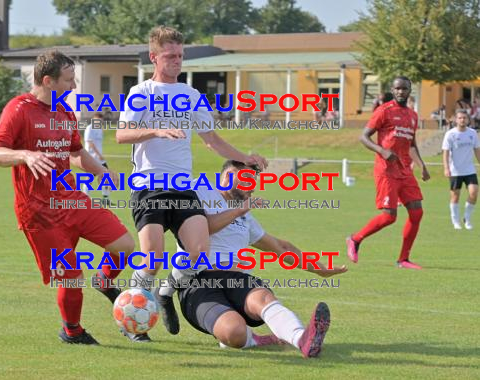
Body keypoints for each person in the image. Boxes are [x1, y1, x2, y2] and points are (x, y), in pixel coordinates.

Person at [116, 26, 267, 342]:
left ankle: (166, 291)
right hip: (150, 186)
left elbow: (212, 140)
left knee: (199, 252)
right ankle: (130, 317)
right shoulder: (141, 93)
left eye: (180, 56)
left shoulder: (190, 96)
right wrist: (155, 131)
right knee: (153, 256)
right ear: (154, 57)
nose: (176, 61)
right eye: (170, 56)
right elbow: (122, 134)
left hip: (183, 187)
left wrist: (246, 157)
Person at [0, 50, 135, 345]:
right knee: (70, 276)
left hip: (71, 200)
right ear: (47, 80)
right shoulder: (18, 109)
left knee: (126, 245)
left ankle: (104, 281)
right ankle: (72, 331)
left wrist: (102, 172)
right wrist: (24, 155)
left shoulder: (65, 112)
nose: (74, 86)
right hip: (38, 212)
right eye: (69, 80)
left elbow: (76, 152)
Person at [176, 160, 347, 357]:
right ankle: (256, 339)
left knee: (263, 298)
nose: (253, 188)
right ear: (228, 176)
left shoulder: (245, 218)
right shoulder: (199, 191)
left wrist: (318, 268)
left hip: (236, 279)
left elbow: (280, 247)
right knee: (234, 332)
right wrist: (240, 209)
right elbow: (202, 227)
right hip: (197, 282)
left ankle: (302, 339)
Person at [346, 76, 430, 270]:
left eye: (405, 88)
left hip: (405, 170)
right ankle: (355, 239)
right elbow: (363, 137)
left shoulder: (413, 115)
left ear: (410, 91)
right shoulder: (384, 111)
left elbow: (412, 144)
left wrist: (422, 165)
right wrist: (382, 151)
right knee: (389, 216)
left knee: (417, 212)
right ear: (393, 90)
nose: (401, 91)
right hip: (386, 171)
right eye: (398, 88)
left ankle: (403, 259)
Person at [442, 109, 480, 230]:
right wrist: (446, 168)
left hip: (469, 170)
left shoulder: (473, 133)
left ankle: (467, 219)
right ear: (455, 120)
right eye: (460, 118)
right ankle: (456, 221)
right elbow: (445, 153)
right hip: (455, 171)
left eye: (464, 118)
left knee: (474, 193)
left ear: (468, 120)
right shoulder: (450, 134)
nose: (462, 120)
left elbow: (477, 150)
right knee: (455, 196)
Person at [83, 112, 111, 204]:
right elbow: (90, 144)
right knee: (89, 178)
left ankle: (105, 198)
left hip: (100, 159)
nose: (99, 123)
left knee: (106, 177)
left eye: (101, 121)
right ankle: (85, 198)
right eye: (98, 121)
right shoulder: (89, 128)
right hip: (91, 158)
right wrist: (99, 154)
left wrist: (100, 156)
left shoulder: (99, 129)